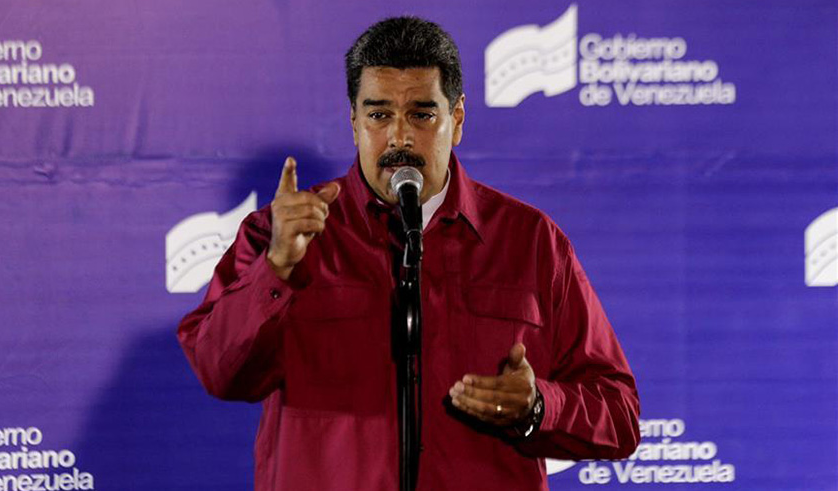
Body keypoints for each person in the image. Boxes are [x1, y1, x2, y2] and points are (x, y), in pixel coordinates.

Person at [178, 16, 640, 491]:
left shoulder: (532, 241)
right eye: (378, 115)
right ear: (353, 122)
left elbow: (620, 415)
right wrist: (275, 270)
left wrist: (539, 406)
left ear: (456, 119)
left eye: (422, 114)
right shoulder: (277, 235)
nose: (399, 137)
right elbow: (220, 373)